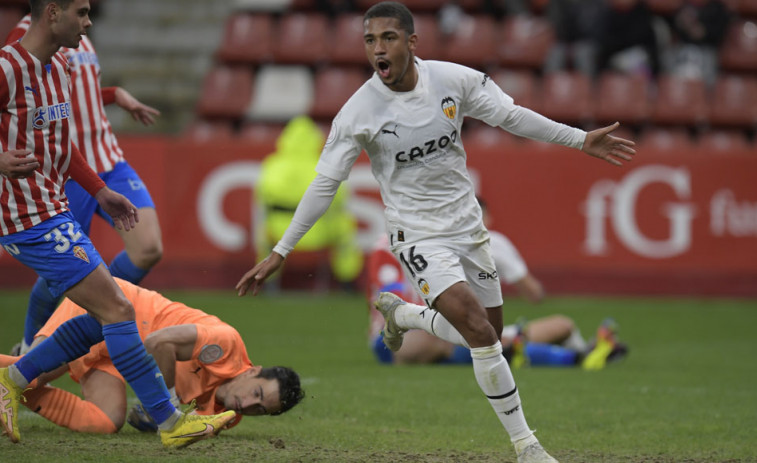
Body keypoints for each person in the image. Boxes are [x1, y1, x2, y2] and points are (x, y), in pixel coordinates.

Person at [236, 2, 635, 462]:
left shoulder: (453, 80)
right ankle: (527, 447)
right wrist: (281, 249)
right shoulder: (359, 112)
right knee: (482, 336)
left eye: (387, 38)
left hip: (468, 228)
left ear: (411, 42)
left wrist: (579, 139)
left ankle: (404, 316)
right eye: (369, 40)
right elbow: (325, 184)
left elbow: (512, 116)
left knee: (490, 336)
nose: (378, 49)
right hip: (417, 235)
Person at [0, 0, 235, 448]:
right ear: (52, 12)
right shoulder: (9, 67)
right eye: (82, 12)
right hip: (26, 220)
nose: (89, 23)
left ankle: (13, 378)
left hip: (54, 209)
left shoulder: (60, 66)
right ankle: (168, 422)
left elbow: (63, 146)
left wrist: (100, 191)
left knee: (100, 314)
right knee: (119, 310)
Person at [6, 13, 164, 356]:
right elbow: (20, 101)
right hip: (68, 168)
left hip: (109, 158)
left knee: (148, 248)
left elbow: (82, 94)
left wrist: (114, 94)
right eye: (82, 11)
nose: (88, 17)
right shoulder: (28, 36)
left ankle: (92, 306)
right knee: (59, 272)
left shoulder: (78, 29)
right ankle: (32, 345)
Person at [0, 278, 304, 434]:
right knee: (33, 376)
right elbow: (160, 342)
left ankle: (18, 370)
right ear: (254, 372)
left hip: (118, 356)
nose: (248, 405)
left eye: (260, 409)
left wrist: (153, 420)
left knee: (105, 422)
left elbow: (164, 424)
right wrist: (166, 404)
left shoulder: (227, 416)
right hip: (112, 309)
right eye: (257, 393)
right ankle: (24, 365)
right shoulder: (225, 344)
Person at [365, 227, 628, 369]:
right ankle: (577, 358)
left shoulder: (457, 242)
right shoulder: (387, 245)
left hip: (455, 331)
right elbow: (394, 304)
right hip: (400, 339)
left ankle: (581, 355)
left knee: (563, 324)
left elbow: (534, 294)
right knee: (477, 341)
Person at [255, 115, 363, 289]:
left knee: (263, 230)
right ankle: (347, 282)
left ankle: (268, 282)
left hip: (279, 231)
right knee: (346, 226)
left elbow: (263, 198)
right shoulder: (324, 165)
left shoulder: (272, 164)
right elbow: (339, 199)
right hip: (319, 228)